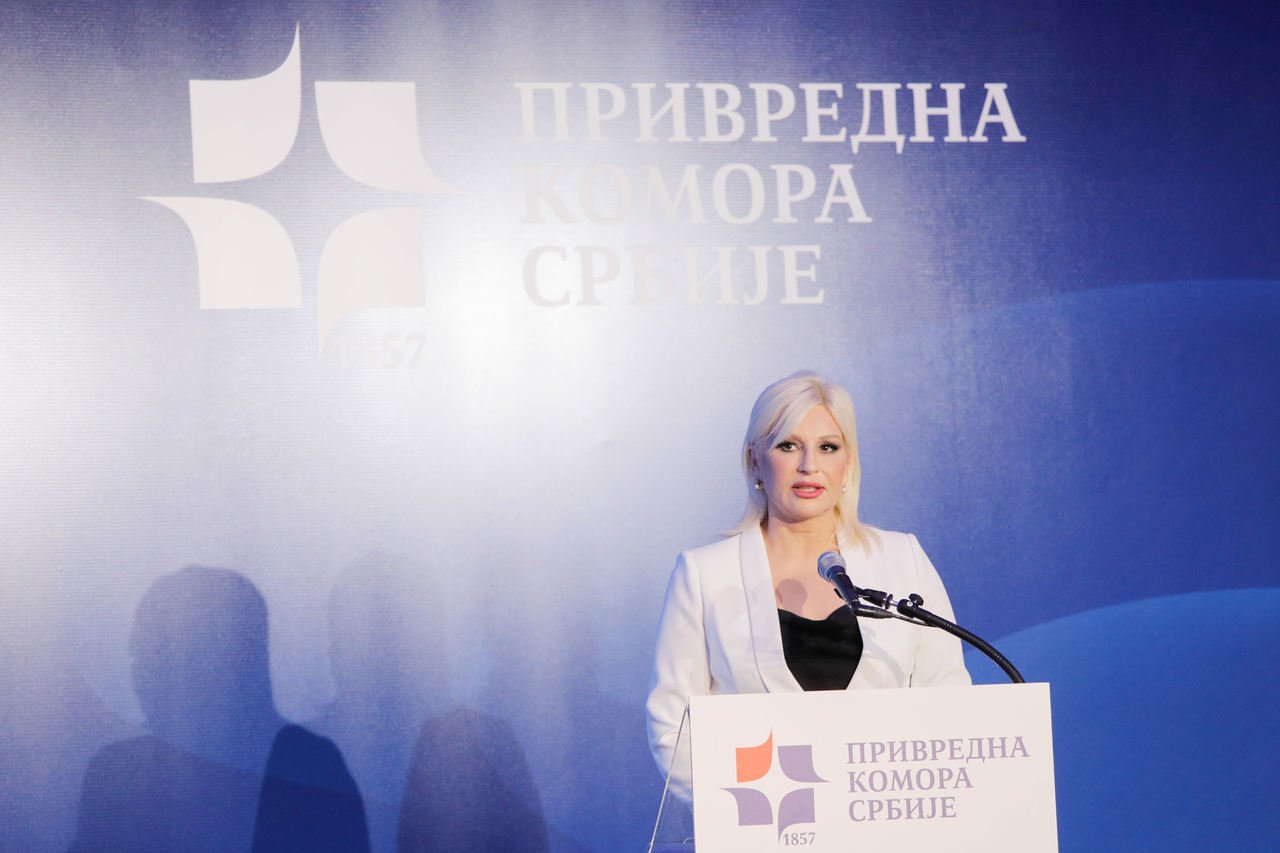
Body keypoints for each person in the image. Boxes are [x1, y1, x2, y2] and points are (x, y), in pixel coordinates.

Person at [645, 371, 971, 802]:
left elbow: (949, 702)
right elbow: (673, 726)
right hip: (765, 824)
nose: (808, 465)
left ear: (847, 463)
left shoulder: (902, 559)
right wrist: (740, 813)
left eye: (827, 447)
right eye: (788, 445)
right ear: (754, 461)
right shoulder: (705, 574)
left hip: (888, 820)